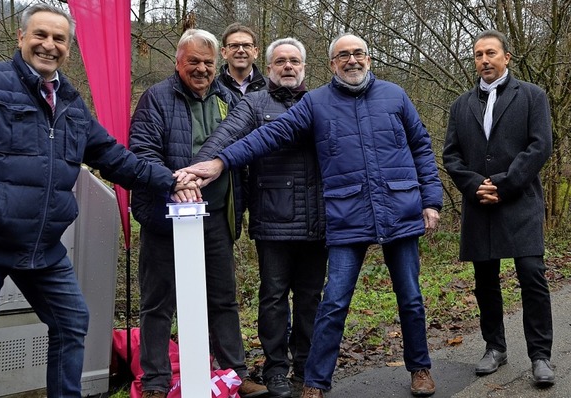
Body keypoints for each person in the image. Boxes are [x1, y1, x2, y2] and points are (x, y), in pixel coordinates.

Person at [0, 4, 200, 398]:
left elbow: (115, 158)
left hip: (43, 247)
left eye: (59, 38)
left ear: (69, 48)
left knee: (72, 322)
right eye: (40, 34)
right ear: (21, 37)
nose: (49, 45)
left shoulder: (71, 103)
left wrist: (171, 180)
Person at [179, 32, 442, 398]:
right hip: (347, 215)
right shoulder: (316, 102)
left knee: (411, 298)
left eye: (358, 54)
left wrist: (431, 200)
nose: (352, 60)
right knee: (333, 301)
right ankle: (316, 382)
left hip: (399, 209)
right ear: (332, 64)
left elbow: (421, 147)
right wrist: (219, 162)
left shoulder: (395, 96)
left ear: (368, 58)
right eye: (343, 56)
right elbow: (269, 136)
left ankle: (420, 368)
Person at [128, 28, 268, 398]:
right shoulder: (156, 98)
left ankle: (234, 375)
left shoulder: (229, 100)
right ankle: (155, 382)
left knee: (223, 298)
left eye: (208, 62)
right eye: (194, 61)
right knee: (158, 304)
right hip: (164, 218)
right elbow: (142, 152)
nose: (202, 69)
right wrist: (175, 183)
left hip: (217, 219)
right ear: (178, 62)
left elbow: (243, 153)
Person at [192, 38, 327, 397]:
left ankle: (306, 367)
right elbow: (225, 136)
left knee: (311, 298)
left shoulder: (322, 102)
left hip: (319, 219)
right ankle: (275, 370)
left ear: (304, 67)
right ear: (267, 67)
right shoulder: (253, 103)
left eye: (294, 61)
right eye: (280, 61)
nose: (287, 66)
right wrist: (197, 168)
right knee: (273, 298)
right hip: (273, 219)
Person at [442, 29, 554, 387]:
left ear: (507, 58)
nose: (484, 60)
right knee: (485, 281)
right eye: (478, 55)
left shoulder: (533, 96)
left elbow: (540, 146)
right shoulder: (461, 105)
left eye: (491, 53)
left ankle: (540, 356)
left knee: (532, 276)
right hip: (479, 205)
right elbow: (451, 155)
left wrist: (504, 185)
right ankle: (495, 347)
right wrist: (476, 186)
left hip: (520, 201)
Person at [218, 23, 268, 98]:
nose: (241, 50)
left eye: (246, 45)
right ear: (224, 52)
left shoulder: (271, 89)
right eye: (234, 46)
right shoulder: (213, 88)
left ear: (255, 52)